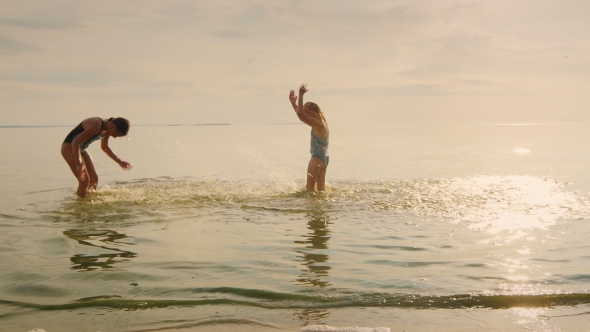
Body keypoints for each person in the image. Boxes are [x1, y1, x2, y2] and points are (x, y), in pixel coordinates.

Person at [61, 117, 131, 198]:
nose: (114, 137)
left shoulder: (107, 129)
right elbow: (75, 142)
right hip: (69, 148)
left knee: (94, 179)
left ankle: (90, 200)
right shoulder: (97, 125)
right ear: (114, 127)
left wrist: (119, 161)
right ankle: (81, 205)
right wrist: (78, 165)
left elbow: (105, 147)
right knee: (84, 180)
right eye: (116, 135)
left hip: (81, 149)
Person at [289, 84, 329, 192]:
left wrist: (301, 95)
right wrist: (294, 103)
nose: (302, 111)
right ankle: (321, 208)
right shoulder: (321, 123)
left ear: (311, 112)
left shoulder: (318, 125)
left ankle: (309, 207)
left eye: (305, 111)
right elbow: (301, 114)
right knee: (321, 190)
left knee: (309, 189)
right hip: (324, 159)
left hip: (316, 159)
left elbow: (301, 115)